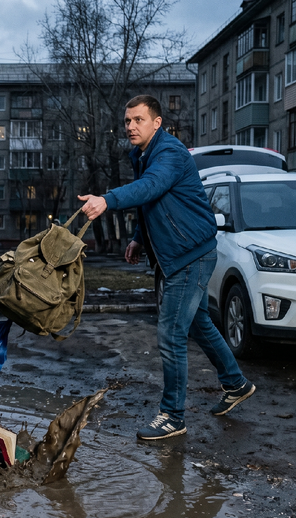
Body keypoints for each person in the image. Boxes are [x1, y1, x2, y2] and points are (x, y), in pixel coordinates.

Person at [77, 95, 255, 441]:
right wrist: (138, 238)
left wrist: (107, 199)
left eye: (138, 120)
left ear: (157, 123)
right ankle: (236, 383)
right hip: (180, 254)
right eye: (127, 121)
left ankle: (172, 416)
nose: (130, 126)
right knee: (199, 323)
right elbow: (154, 202)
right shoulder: (144, 155)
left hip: (190, 255)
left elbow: (150, 186)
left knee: (171, 333)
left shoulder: (169, 153)